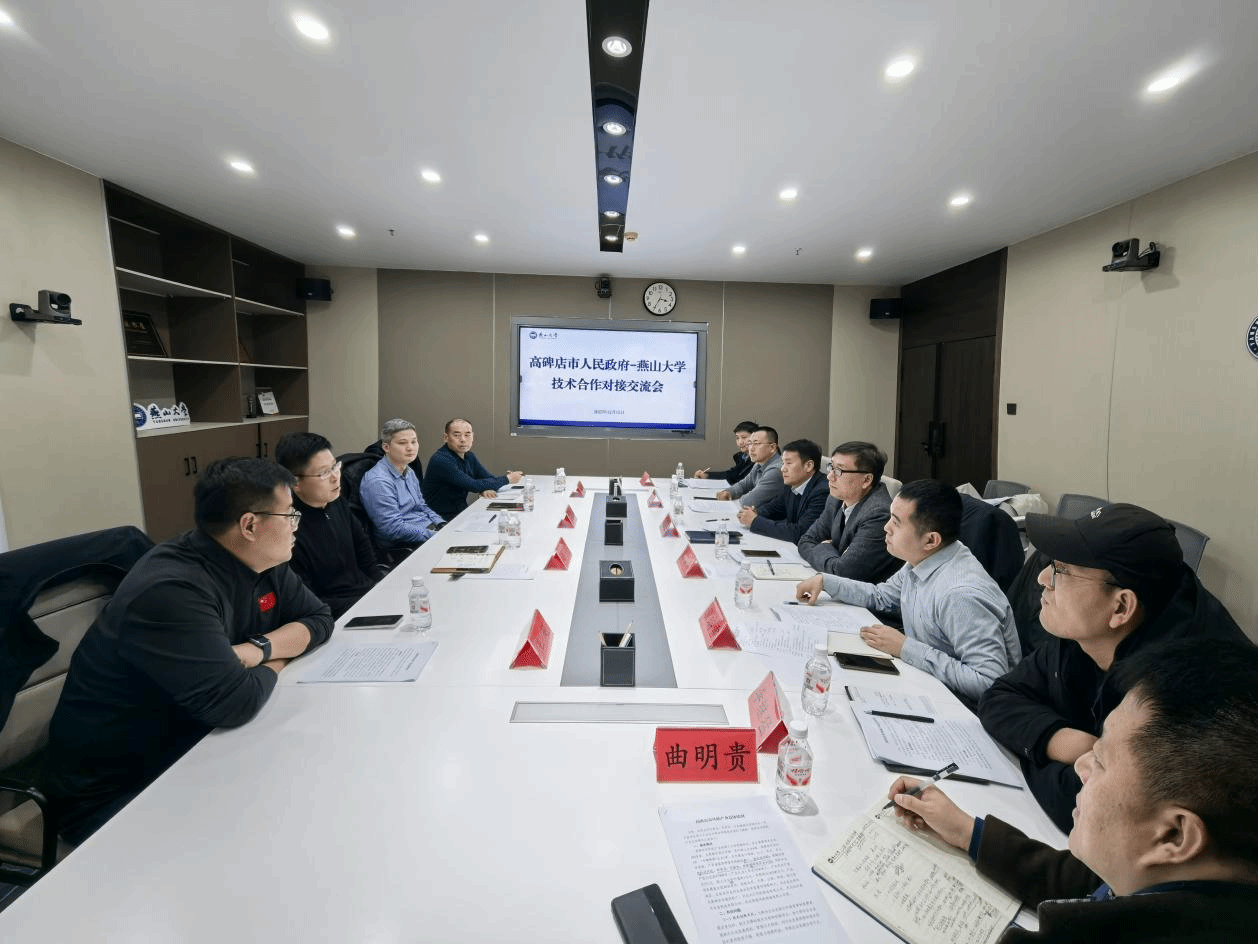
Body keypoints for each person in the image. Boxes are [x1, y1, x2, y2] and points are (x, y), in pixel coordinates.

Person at [886, 639, 1258, 943]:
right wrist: (968, 831)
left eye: (1101, 760)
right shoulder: (1195, 882)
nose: (1080, 765)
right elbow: (1089, 880)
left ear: (1173, 835)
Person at [43, 458, 333, 844]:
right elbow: (236, 702)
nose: (296, 525)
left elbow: (319, 618)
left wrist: (258, 650)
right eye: (289, 515)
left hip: (195, 746)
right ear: (249, 525)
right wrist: (282, 655)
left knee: (310, 788)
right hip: (118, 794)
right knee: (277, 831)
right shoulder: (172, 589)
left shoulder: (261, 559)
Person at [978, 503, 1247, 833]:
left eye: (1061, 570)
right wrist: (1063, 742)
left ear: (1121, 607)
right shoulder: (1086, 633)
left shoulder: (1179, 695)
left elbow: (1102, 815)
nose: (1042, 578)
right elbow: (1000, 696)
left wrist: (1029, 753)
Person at [795, 478, 1020, 704]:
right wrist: (826, 581)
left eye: (896, 522)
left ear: (931, 540)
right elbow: (882, 597)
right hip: (924, 682)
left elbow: (989, 682)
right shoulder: (926, 557)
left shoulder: (960, 595)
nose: (886, 528)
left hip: (962, 706)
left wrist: (905, 647)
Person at [276, 431, 385, 618]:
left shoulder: (336, 501)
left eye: (335, 466)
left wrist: (381, 586)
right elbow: (309, 601)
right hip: (336, 613)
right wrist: (367, 602)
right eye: (324, 472)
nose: (336, 476)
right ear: (295, 483)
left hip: (365, 595)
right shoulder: (289, 528)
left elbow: (363, 548)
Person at [797, 441, 899, 583]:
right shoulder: (836, 498)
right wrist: (837, 557)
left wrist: (825, 546)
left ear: (866, 480)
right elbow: (805, 541)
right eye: (831, 467)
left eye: (839, 470)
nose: (829, 476)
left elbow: (844, 572)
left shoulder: (879, 514)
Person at [359, 418, 445, 547]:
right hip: (404, 544)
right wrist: (435, 536)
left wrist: (442, 524)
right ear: (386, 447)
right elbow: (393, 528)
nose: (410, 448)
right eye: (402, 443)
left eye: (414, 442)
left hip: (427, 531)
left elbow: (422, 506)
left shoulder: (409, 471)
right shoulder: (378, 481)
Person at [422, 417, 523, 522]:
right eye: (456, 435)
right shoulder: (441, 460)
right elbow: (473, 485)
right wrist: (507, 479)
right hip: (437, 519)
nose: (463, 439)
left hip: (459, 513)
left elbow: (487, 477)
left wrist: (484, 488)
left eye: (467, 435)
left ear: (473, 437)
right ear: (446, 437)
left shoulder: (469, 456)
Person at [736, 438, 827, 543]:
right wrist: (754, 512)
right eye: (783, 463)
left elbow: (801, 532)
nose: (783, 469)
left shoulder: (822, 491)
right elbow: (774, 508)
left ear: (809, 466)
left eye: (788, 463)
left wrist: (755, 521)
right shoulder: (792, 484)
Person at [715, 425, 783, 508]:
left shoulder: (777, 470)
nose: (751, 449)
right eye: (750, 443)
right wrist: (728, 492)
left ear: (772, 447)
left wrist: (730, 498)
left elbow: (750, 501)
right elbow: (744, 485)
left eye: (756, 443)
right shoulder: (759, 463)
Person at [694, 419, 758, 485]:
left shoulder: (759, 459)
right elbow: (731, 474)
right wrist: (706, 475)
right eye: (737, 438)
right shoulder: (742, 457)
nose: (740, 442)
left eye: (744, 437)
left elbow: (740, 480)